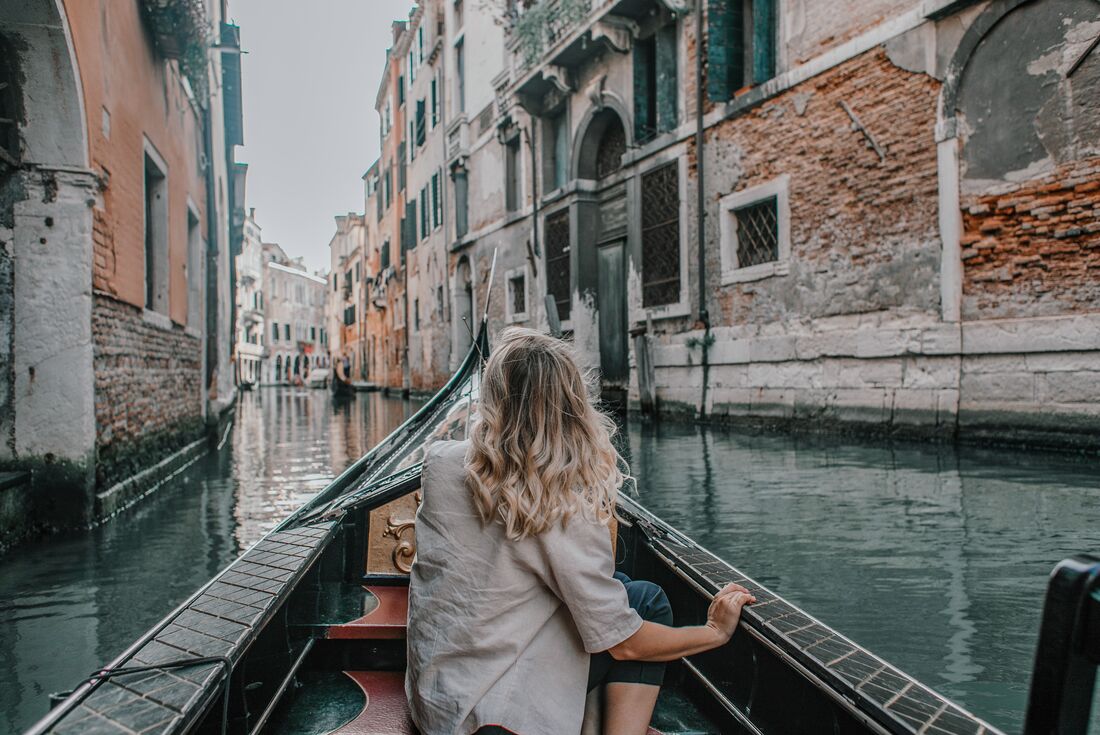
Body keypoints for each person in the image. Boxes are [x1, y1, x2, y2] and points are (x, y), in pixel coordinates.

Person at [406, 327, 755, 735]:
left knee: (631, 592)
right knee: (646, 605)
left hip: (436, 701)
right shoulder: (564, 505)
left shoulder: (440, 464)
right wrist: (713, 632)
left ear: (492, 398)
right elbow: (623, 642)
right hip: (498, 720)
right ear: (571, 405)